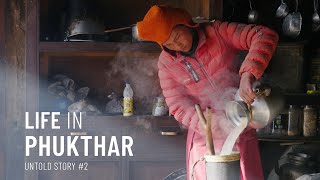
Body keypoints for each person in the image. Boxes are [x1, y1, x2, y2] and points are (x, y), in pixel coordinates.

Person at [137, 5, 278, 180]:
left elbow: (264, 35)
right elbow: (177, 105)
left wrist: (248, 73)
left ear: (187, 24)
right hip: (204, 136)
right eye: (168, 44)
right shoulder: (166, 63)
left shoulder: (218, 32)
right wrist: (208, 125)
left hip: (241, 123)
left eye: (177, 36)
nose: (177, 45)